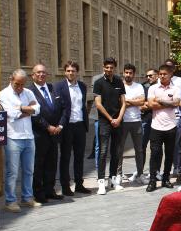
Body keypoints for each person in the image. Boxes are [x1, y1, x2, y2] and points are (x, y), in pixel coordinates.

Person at [0, 69, 39, 212]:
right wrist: (27, 110)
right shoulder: (4, 94)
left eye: (22, 84)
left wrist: (21, 108)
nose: (20, 88)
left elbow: (38, 109)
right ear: (11, 79)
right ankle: (10, 201)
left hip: (28, 136)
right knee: (12, 172)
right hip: (13, 137)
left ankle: (27, 197)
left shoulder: (28, 92)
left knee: (29, 170)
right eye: (17, 84)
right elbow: (10, 113)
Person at [28, 64, 63, 203]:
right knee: (39, 164)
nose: (41, 75)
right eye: (38, 73)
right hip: (39, 133)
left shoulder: (52, 88)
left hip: (55, 132)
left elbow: (60, 108)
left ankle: (50, 190)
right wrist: (47, 126)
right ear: (33, 75)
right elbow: (33, 113)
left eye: (43, 72)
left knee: (52, 162)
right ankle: (39, 192)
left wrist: (59, 125)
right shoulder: (29, 91)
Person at [55, 61, 90, 196]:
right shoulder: (59, 86)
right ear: (65, 72)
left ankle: (79, 184)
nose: (71, 73)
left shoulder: (82, 86)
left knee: (79, 156)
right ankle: (65, 186)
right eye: (68, 71)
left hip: (80, 125)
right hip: (67, 126)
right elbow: (59, 107)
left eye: (73, 71)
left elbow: (82, 105)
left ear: (77, 72)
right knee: (65, 156)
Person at [94, 57, 126, 195]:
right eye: (107, 67)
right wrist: (110, 118)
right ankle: (101, 181)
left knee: (116, 152)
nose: (109, 69)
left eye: (111, 67)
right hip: (105, 122)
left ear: (114, 68)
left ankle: (113, 180)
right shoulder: (98, 83)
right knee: (103, 151)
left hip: (118, 121)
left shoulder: (119, 81)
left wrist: (118, 118)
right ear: (103, 67)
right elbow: (98, 104)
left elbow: (123, 102)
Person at [146, 65, 180, 192]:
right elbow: (150, 104)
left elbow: (176, 103)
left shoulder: (176, 88)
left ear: (170, 74)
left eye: (164, 74)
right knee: (155, 154)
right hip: (156, 127)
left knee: (169, 154)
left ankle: (166, 178)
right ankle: (153, 180)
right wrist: (168, 103)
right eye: (160, 73)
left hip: (171, 126)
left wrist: (160, 101)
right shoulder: (153, 88)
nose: (162, 76)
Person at [118, 64, 146, 185]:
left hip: (136, 121)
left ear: (134, 74)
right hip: (123, 121)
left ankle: (140, 174)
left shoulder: (139, 86)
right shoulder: (119, 86)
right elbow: (118, 102)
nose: (128, 75)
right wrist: (134, 101)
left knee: (139, 149)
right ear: (123, 73)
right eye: (126, 72)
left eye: (130, 73)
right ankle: (118, 174)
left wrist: (127, 101)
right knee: (119, 150)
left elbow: (141, 101)